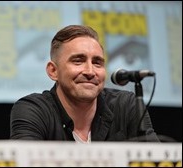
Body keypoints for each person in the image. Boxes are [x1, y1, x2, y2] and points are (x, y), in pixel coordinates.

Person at [10, 25, 159, 142]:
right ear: (53, 71)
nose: (90, 71)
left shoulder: (126, 105)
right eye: (78, 61)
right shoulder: (32, 110)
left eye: (97, 63)